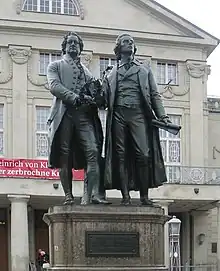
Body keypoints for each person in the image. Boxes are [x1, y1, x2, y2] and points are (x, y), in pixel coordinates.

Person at [102, 33, 172, 206]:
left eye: (131, 42)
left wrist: (162, 115)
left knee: (144, 154)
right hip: (118, 115)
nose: (129, 44)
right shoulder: (111, 73)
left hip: (138, 114)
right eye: (125, 41)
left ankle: (144, 196)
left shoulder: (144, 70)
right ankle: (125, 197)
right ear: (118, 48)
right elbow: (103, 100)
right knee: (121, 156)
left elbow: (154, 95)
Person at [47, 31, 108, 205]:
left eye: (76, 43)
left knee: (94, 152)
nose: (73, 45)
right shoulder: (55, 65)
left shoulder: (87, 72)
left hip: (84, 117)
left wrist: (99, 94)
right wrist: (75, 97)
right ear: (65, 46)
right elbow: (54, 86)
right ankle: (68, 195)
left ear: (80, 49)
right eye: (70, 42)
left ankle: (90, 196)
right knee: (64, 155)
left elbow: (96, 94)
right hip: (64, 114)